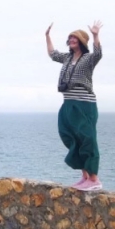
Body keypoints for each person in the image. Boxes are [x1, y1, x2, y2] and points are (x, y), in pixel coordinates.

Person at [46, 22, 104, 191]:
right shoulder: (67, 58)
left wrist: (95, 35)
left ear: (81, 41)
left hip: (84, 104)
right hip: (68, 103)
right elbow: (52, 53)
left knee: (87, 138)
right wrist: (47, 36)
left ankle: (94, 179)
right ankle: (84, 175)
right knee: (70, 136)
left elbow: (98, 53)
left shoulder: (88, 59)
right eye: (70, 37)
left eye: (75, 38)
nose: (71, 40)